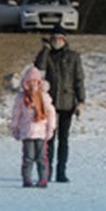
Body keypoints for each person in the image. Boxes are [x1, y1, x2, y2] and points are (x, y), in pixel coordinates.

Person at [33, 25, 84, 182]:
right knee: (49, 139)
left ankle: (61, 172)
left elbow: (79, 80)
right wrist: (45, 50)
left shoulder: (73, 56)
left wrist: (81, 101)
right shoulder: (47, 55)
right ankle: (47, 172)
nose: (57, 41)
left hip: (68, 103)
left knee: (64, 139)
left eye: (60, 38)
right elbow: (38, 68)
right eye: (54, 38)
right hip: (51, 104)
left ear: (65, 39)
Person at [10, 66, 57, 188]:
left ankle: (43, 179)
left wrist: (50, 128)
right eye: (29, 82)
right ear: (25, 83)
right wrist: (15, 128)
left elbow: (51, 114)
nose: (32, 84)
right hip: (27, 132)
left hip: (41, 132)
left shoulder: (44, 97)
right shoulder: (21, 98)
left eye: (35, 81)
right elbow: (16, 114)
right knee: (28, 157)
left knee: (41, 157)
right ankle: (27, 179)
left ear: (39, 82)